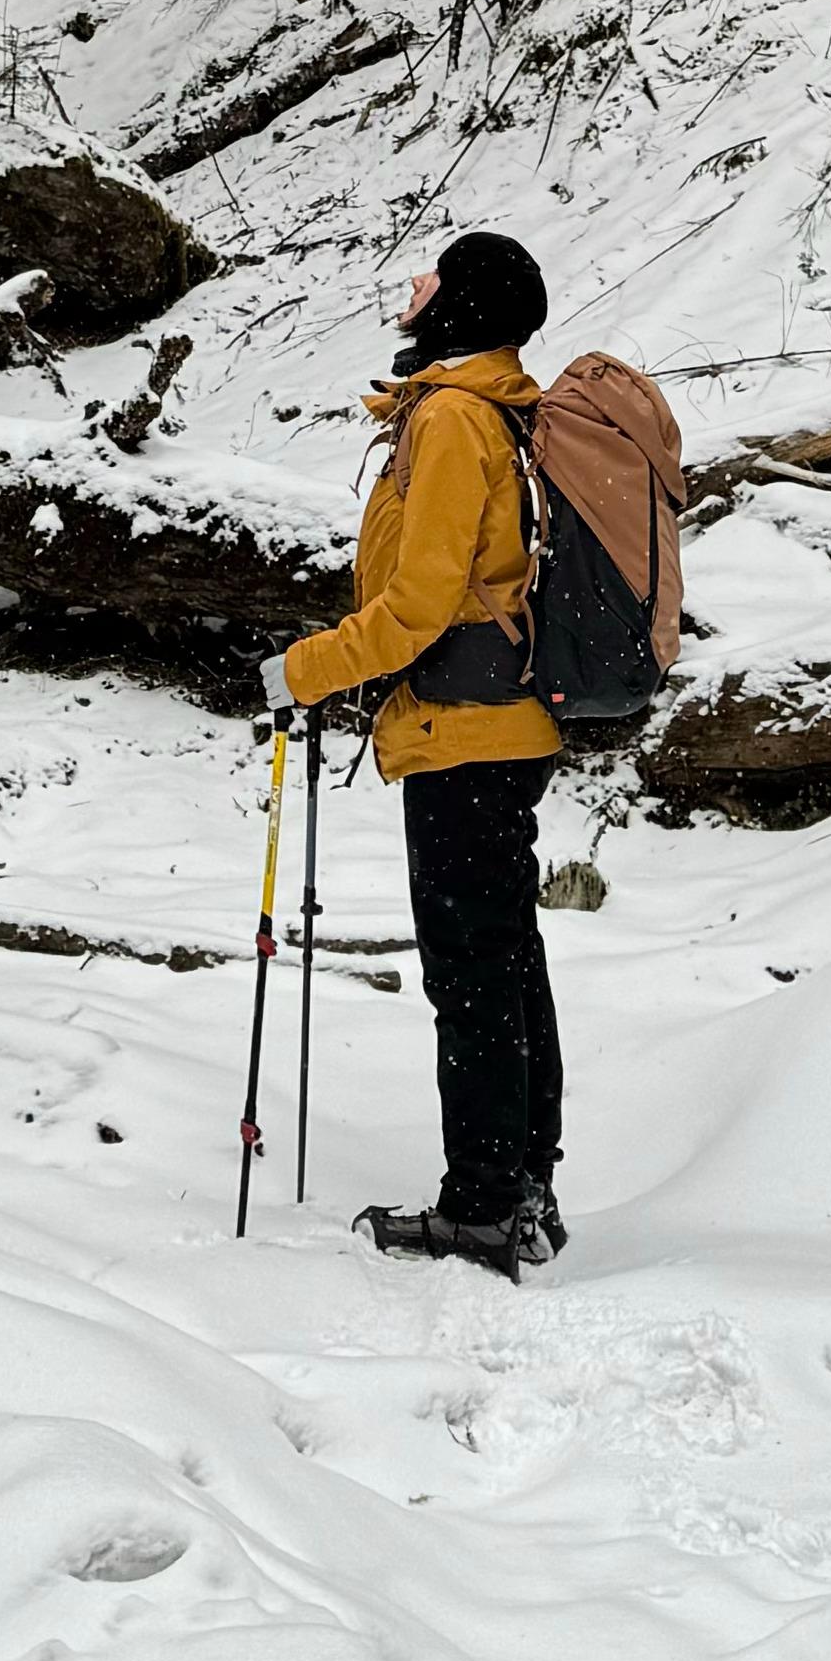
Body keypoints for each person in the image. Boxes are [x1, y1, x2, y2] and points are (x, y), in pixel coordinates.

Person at [261, 225, 567, 1277]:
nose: (415, 283)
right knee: (506, 956)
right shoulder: (497, 411)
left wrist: (307, 669)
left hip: (465, 735)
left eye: (433, 272)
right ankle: (521, 1183)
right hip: (499, 727)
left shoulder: (451, 422)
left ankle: (484, 1207)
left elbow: (421, 604)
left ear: (462, 302)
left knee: (474, 972)